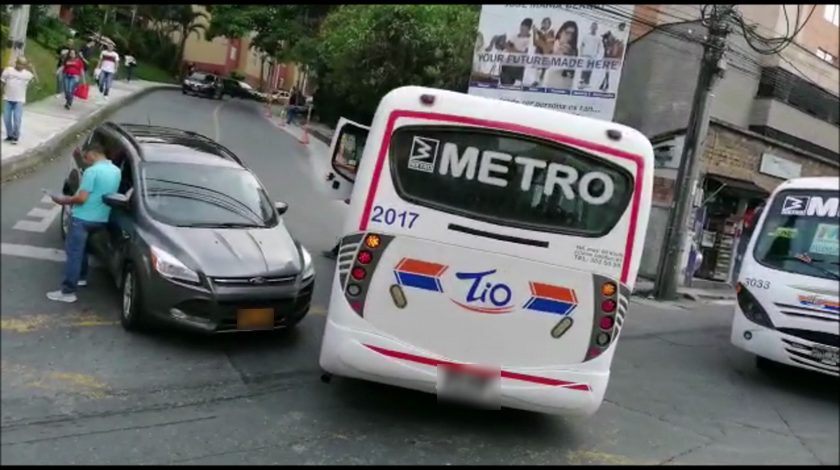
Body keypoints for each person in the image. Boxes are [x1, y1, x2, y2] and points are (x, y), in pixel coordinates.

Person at [47, 145, 122, 303]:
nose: (85, 161)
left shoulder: (92, 172)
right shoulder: (116, 171)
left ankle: (68, 291)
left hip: (82, 218)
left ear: (94, 154)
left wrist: (63, 200)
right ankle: (81, 277)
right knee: (84, 250)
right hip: (101, 219)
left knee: (74, 253)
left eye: (86, 157)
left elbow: (81, 198)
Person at [2, 56, 38, 144]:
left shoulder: (27, 74)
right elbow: (2, 82)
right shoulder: (8, 70)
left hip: (19, 99)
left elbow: (36, 81)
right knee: (6, 118)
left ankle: (15, 136)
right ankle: (9, 135)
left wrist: (33, 70)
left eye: (23, 64)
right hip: (8, 98)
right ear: (16, 63)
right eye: (20, 63)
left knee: (17, 118)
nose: (21, 66)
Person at [540, 21, 578, 90]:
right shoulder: (551, 44)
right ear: (561, 32)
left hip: (564, 86)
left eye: (572, 35)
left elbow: (571, 74)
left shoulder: (573, 50)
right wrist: (556, 54)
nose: (569, 37)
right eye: (567, 33)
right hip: (549, 82)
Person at [499, 18, 533, 86]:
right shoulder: (515, 36)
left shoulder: (530, 40)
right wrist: (512, 49)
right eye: (521, 29)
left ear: (528, 30)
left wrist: (513, 49)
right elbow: (506, 45)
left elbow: (525, 54)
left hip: (519, 65)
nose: (522, 31)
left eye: (524, 30)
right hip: (508, 62)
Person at [579, 22, 603, 90]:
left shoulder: (598, 38)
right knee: (584, 69)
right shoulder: (586, 36)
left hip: (593, 56)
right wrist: (581, 54)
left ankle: (587, 83)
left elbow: (599, 47)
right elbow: (582, 45)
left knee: (589, 70)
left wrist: (597, 55)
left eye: (595, 27)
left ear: (597, 28)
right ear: (591, 27)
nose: (594, 28)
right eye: (593, 26)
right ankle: (582, 82)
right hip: (585, 55)